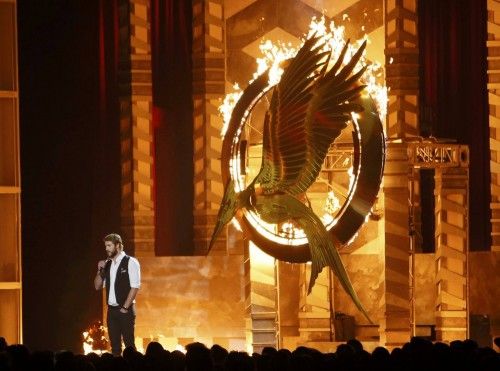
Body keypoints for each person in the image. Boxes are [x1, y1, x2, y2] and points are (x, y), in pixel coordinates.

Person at [94, 233, 141, 355]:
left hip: (125, 310)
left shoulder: (131, 262)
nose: (106, 249)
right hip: (112, 311)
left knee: (129, 346)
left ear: (118, 245)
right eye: (105, 246)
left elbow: (135, 287)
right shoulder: (107, 264)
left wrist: (125, 308)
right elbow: (97, 286)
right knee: (114, 347)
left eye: (109, 245)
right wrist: (100, 270)